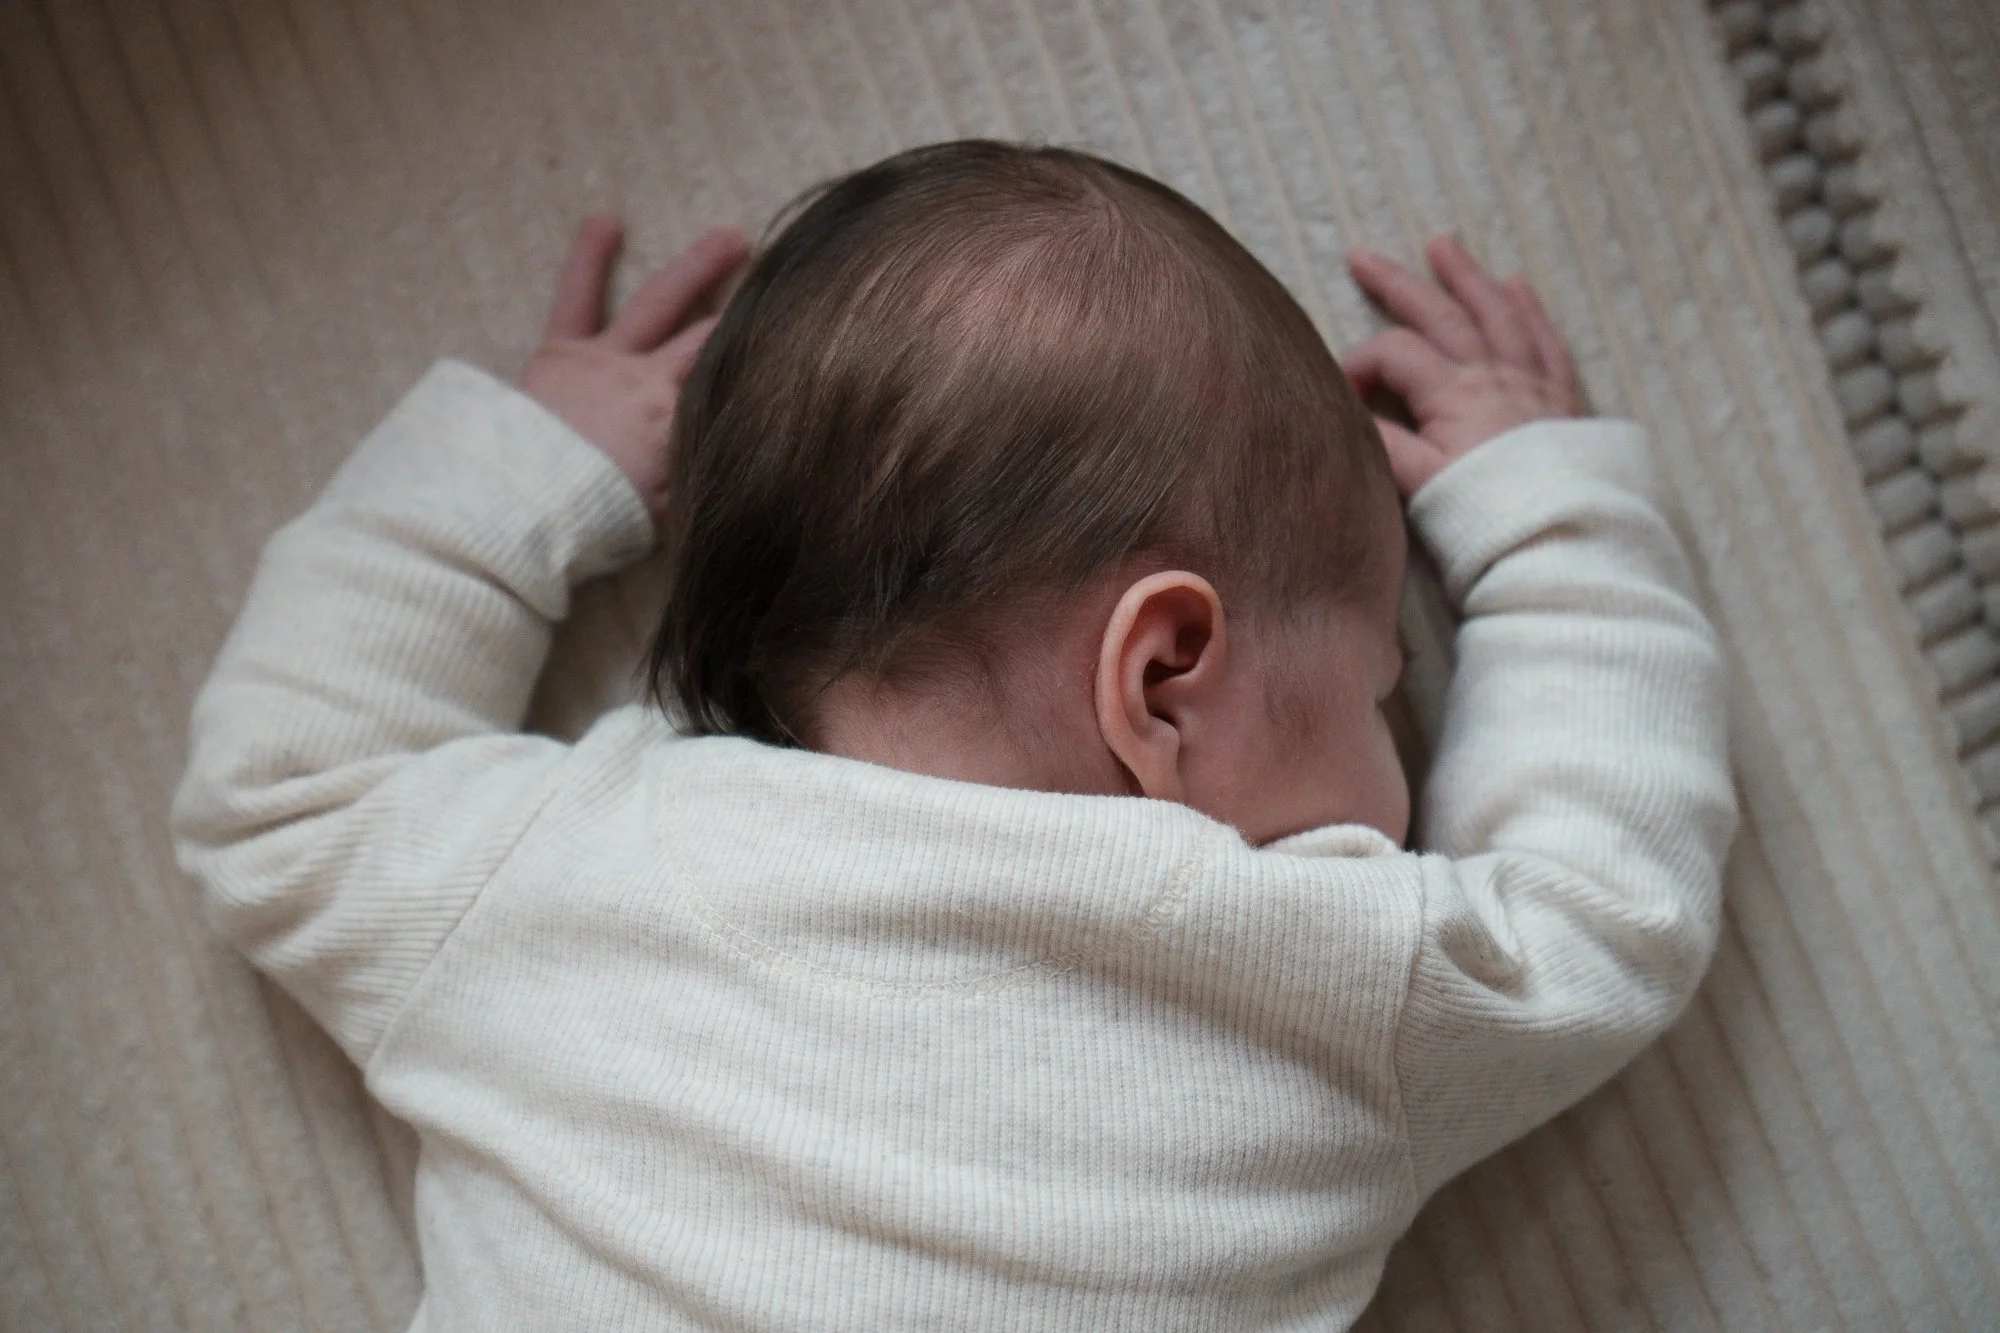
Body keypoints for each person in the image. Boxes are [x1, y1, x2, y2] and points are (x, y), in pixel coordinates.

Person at [172, 140, 1735, 1330]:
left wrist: (517, 469)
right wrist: (1548, 521)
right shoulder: (1316, 974)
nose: (1398, 727)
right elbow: (1608, 911)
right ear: (1167, 679)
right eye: (1379, 675)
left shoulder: (559, 875)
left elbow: (285, 788)